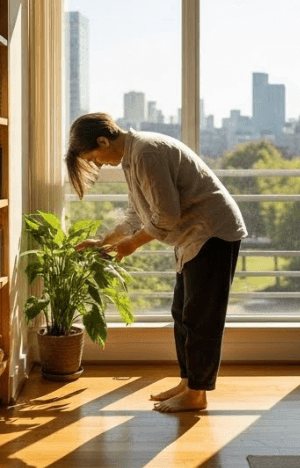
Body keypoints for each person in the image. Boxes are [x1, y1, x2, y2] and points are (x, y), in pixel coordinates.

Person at [66, 113, 247, 413]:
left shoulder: (146, 153)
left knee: (201, 319)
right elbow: (136, 214)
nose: (97, 164)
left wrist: (132, 245)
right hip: (193, 236)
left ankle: (197, 395)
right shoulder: (132, 157)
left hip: (212, 233)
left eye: (94, 157)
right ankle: (188, 382)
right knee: (182, 313)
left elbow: (167, 215)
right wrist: (104, 242)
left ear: (103, 140)